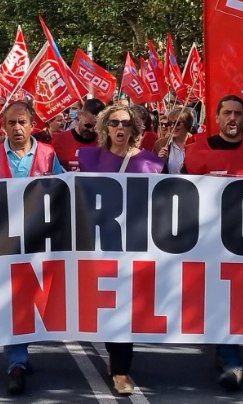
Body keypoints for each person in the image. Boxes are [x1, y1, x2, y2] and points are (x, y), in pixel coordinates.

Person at [182, 94, 243, 391]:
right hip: (209, 242)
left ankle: (228, 351)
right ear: (217, 116)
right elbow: (176, 191)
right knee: (222, 298)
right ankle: (231, 360)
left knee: (242, 300)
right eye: (227, 113)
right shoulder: (196, 150)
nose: (233, 118)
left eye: (238, 113)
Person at [0, 101, 66, 395]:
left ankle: (21, 354)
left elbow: (67, 188)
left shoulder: (49, 154)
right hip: (5, 242)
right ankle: (17, 360)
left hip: (40, 240)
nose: (17, 128)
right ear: (3, 126)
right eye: (11, 123)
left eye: (22, 122)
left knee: (35, 298)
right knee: (13, 299)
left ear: (33, 124)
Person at [75, 103, 163, 395]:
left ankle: (121, 369)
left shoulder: (151, 163)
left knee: (124, 306)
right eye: (114, 123)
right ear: (105, 128)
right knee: (105, 304)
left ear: (135, 129)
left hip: (134, 246)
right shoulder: (87, 158)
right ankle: (116, 358)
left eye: (125, 123)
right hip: (98, 245)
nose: (120, 128)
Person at [51, 97, 105, 171]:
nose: (91, 130)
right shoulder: (59, 140)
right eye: (88, 125)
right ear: (80, 115)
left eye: (96, 127)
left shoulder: (104, 142)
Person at [156, 106, 195, 174]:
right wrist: (160, 160)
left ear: (187, 124)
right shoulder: (160, 144)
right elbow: (153, 170)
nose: (172, 126)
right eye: (170, 123)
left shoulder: (196, 143)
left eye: (177, 123)